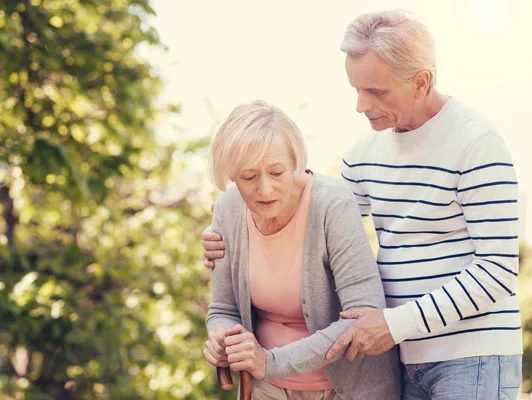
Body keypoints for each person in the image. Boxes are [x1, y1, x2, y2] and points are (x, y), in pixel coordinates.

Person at [204, 10, 523, 400]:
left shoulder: (476, 142)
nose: (359, 104)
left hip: (472, 356)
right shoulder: (363, 153)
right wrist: (227, 238)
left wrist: (395, 323)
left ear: (420, 82)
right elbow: (310, 222)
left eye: (375, 91)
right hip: (403, 356)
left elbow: (498, 270)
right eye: (356, 89)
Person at [203, 100, 400, 399]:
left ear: (295, 162)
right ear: (231, 174)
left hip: (343, 389)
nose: (265, 190)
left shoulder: (332, 205)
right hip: (268, 388)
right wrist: (223, 337)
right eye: (249, 177)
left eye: (277, 173)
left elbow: (363, 316)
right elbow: (222, 310)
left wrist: (271, 362)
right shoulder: (228, 210)